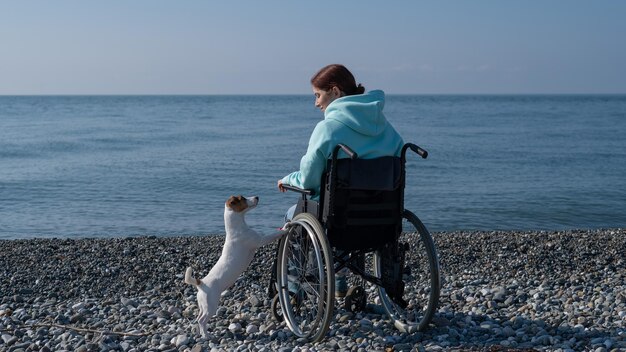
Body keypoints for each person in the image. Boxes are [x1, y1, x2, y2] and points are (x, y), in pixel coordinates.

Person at [277, 64, 405, 297]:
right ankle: (338, 285)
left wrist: (287, 180)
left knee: (298, 215)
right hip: (382, 218)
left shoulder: (328, 129)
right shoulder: (386, 127)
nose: (316, 103)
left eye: (318, 95)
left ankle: (292, 287)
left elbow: (308, 180)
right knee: (343, 207)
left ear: (335, 92)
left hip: (339, 219)